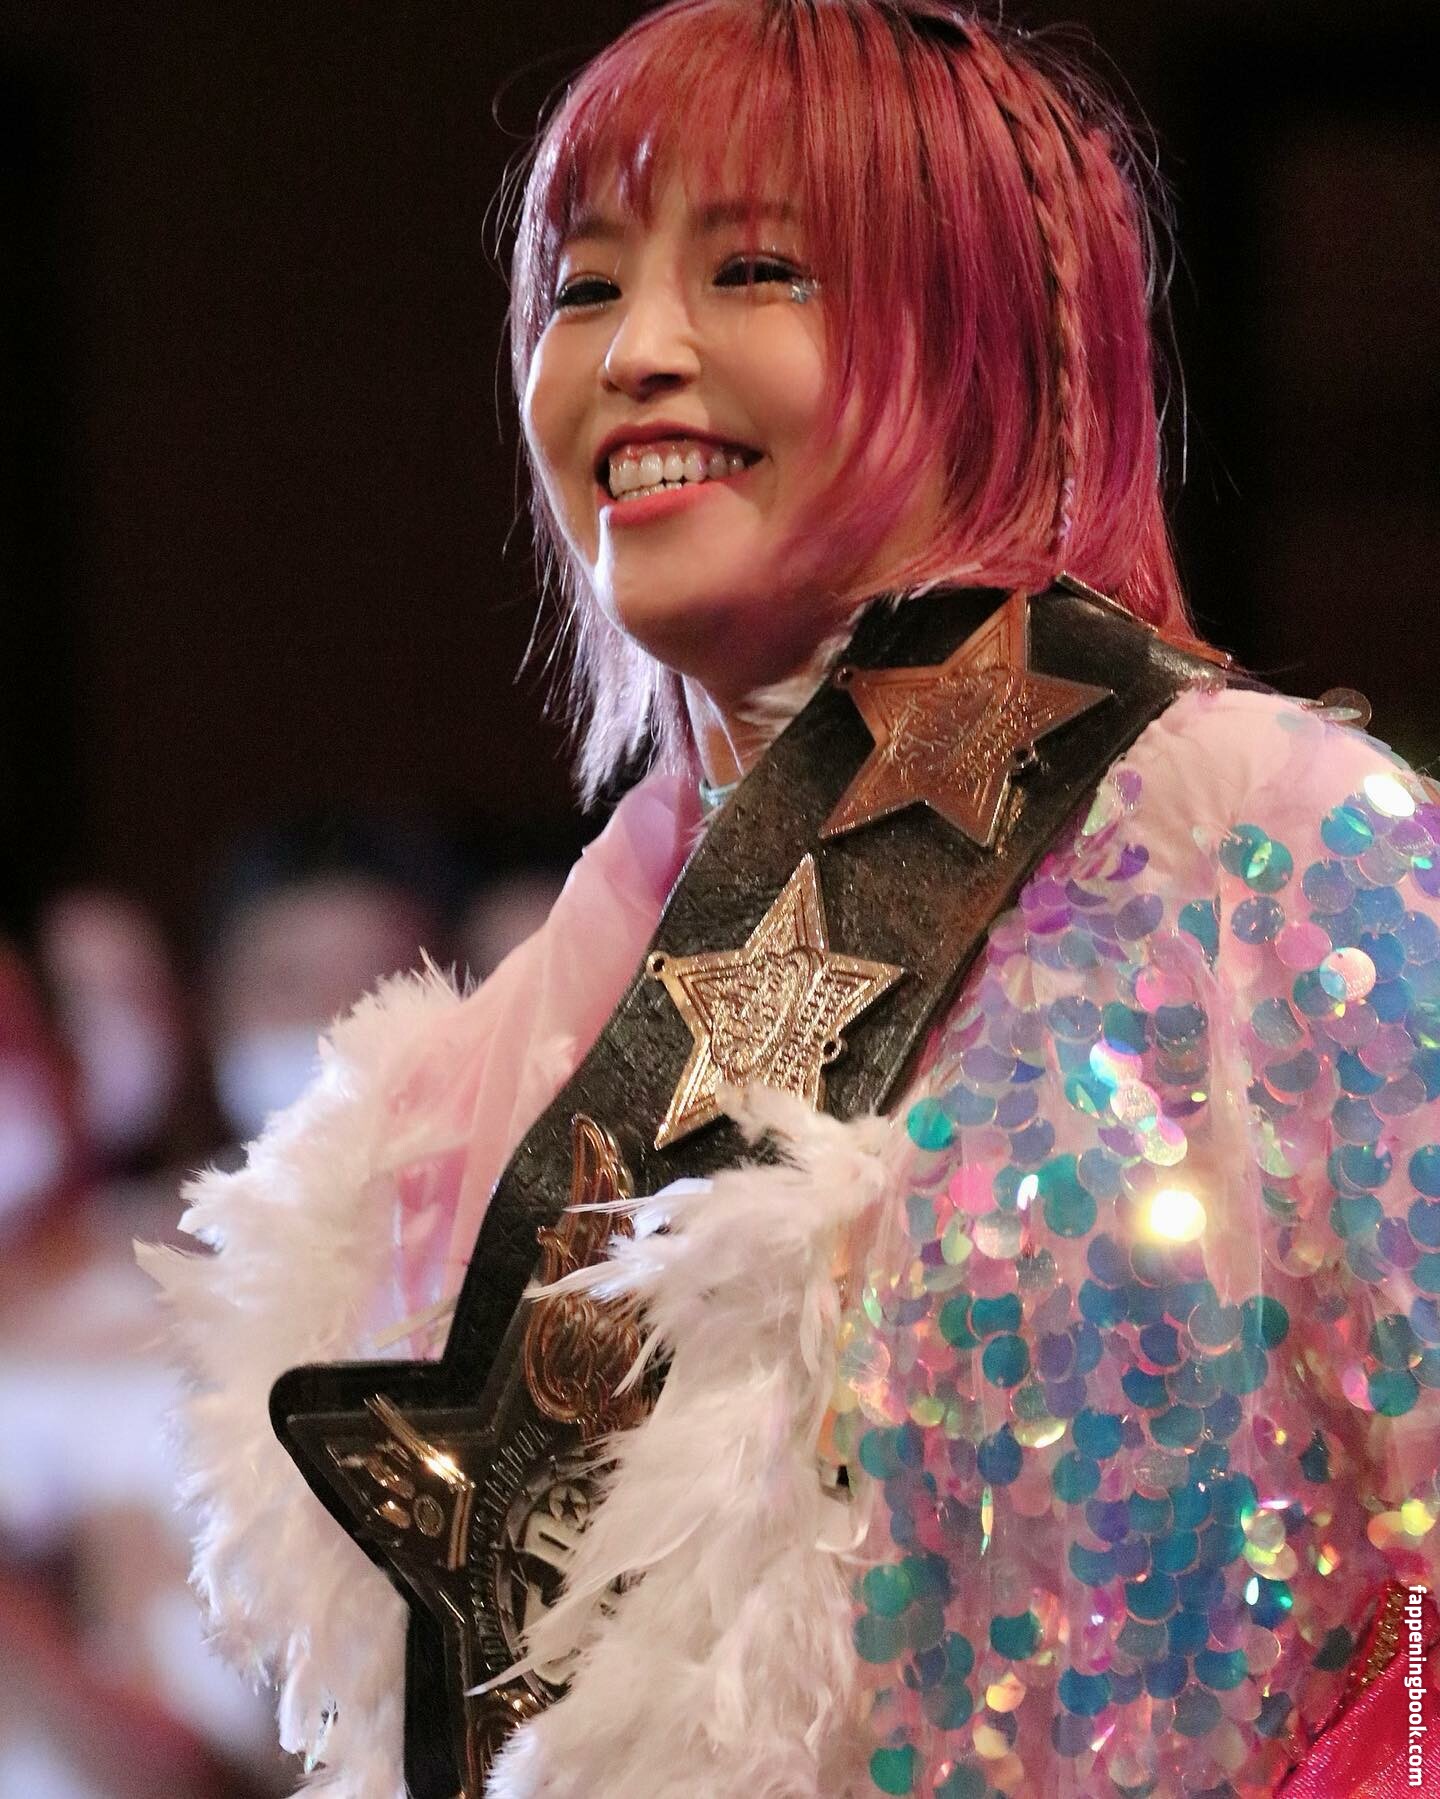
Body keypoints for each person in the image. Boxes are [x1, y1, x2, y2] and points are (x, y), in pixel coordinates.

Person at [143, 3, 1440, 1795]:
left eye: (754, 270)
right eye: (586, 288)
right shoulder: (493, 1065)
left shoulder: (1270, 852)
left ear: (987, 340)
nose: (637, 353)